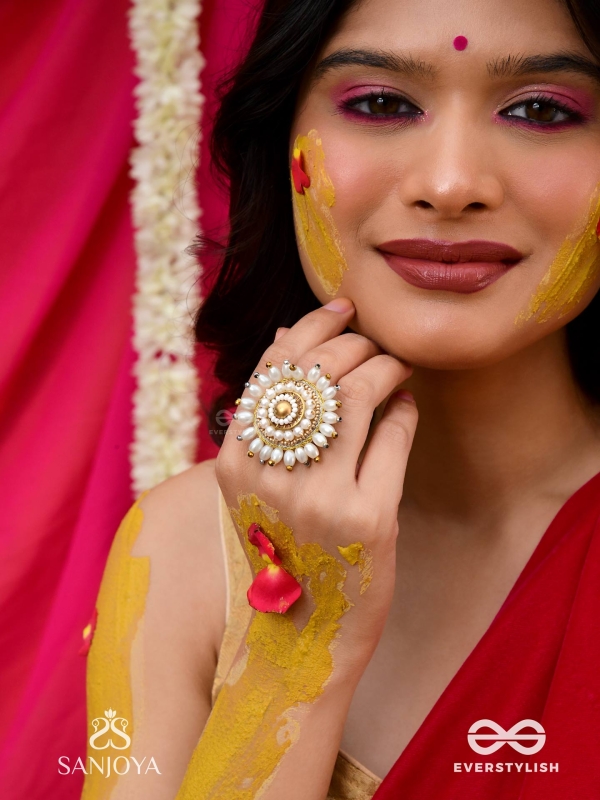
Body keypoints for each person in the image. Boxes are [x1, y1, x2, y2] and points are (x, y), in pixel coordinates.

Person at [82, 0, 600, 798]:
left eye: (541, 110)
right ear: (279, 140)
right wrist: (298, 647)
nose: (450, 184)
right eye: (382, 104)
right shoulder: (187, 549)